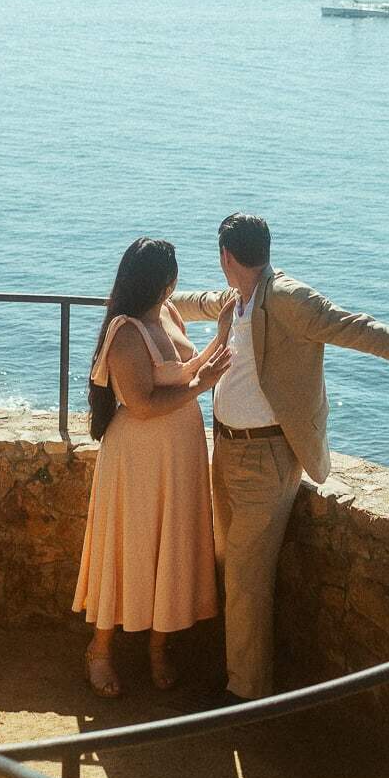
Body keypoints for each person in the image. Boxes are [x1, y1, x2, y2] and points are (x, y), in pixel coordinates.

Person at [175, 214, 389, 702]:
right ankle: (235, 672)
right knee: (227, 562)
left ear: (226, 256)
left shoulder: (288, 298)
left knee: (246, 579)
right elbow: (196, 302)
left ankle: (245, 694)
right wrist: (146, 300)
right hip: (225, 448)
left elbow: (353, 327)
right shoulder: (237, 298)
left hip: (265, 456)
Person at [72, 236, 232, 698]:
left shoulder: (169, 313)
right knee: (130, 545)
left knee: (172, 543)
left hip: (179, 451)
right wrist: (202, 386)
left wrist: (220, 336)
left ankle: (158, 648)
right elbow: (141, 403)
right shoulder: (125, 331)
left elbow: (186, 369)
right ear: (162, 280)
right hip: (139, 455)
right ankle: (99, 650)